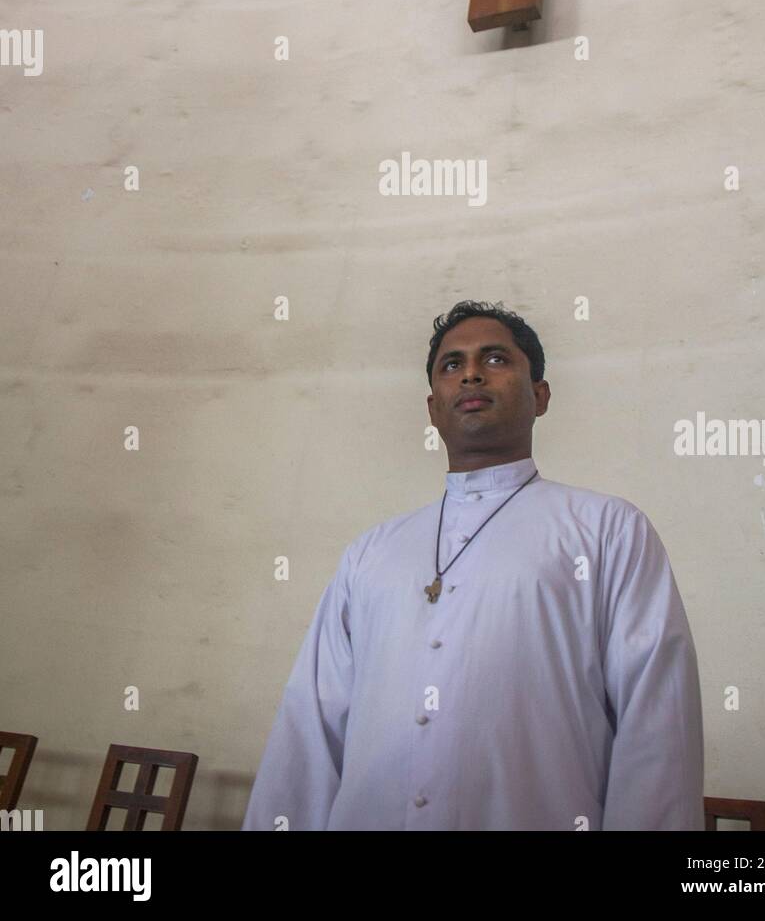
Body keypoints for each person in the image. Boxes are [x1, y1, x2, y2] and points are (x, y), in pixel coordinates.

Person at [242, 300, 704, 831]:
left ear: (540, 396)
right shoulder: (370, 553)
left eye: (496, 359)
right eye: (452, 365)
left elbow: (658, 727)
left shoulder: (608, 530)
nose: (472, 375)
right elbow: (310, 728)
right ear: (433, 407)